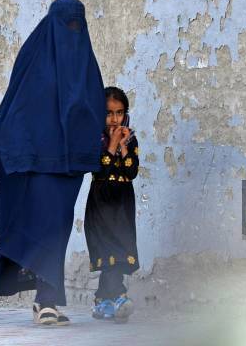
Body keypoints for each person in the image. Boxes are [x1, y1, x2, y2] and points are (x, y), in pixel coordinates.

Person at [0, 0, 106, 326]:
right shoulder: (34, 57)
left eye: (78, 24)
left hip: (70, 164)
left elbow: (93, 108)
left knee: (58, 228)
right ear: (53, 24)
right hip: (38, 161)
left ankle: (45, 301)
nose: (73, 31)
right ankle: (45, 301)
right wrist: (16, 145)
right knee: (44, 227)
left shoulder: (86, 63)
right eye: (67, 24)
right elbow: (15, 107)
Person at [85, 86, 140, 324]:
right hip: (101, 202)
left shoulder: (132, 138)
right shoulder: (94, 138)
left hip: (122, 203)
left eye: (119, 113)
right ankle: (119, 296)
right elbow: (100, 168)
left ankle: (102, 301)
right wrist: (111, 145)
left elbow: (131, 171)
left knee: (119, 250)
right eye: (109, 113)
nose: (114, 119)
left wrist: (124, 145)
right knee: (109, 251)